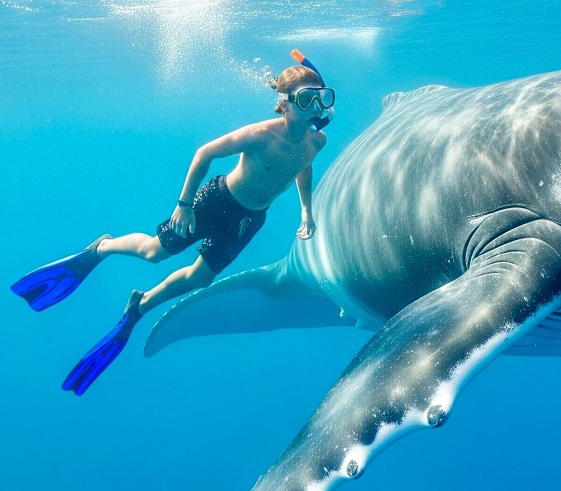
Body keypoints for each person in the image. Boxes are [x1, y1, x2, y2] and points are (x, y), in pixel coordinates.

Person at [10, 50, 334, 395]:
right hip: (215, 202)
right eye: (306, 99)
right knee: (154, 253)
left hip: (250, 219)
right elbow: (205, 153)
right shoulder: (260, 135)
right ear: (284, 104)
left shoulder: (318, 140)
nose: (316, 107)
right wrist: (184, 205)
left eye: (322, 98)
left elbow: (303, 166)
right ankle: (102, 247)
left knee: (200, 279)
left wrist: (306, 211)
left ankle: (141, 305)